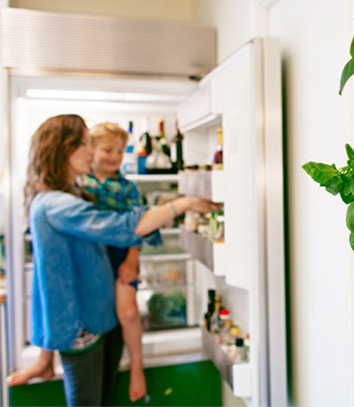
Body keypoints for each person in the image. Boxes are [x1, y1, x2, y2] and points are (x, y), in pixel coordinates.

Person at [15, 114, 218, 406]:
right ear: (63, 149)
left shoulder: (68, 194)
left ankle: (46, 363)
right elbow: (123, 226)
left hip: (98, 317)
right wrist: (184, 203)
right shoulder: (56, 204)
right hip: (81, 327)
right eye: (85, 144)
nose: (91, 151)